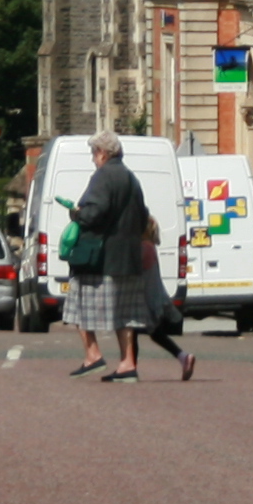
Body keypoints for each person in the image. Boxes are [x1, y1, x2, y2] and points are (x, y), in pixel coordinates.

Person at [67, 134, 193, 383]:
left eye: (94, 154)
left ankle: (92, 355)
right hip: (129, 258)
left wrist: (78, 213)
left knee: (76, 303)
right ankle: (127, 364)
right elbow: (142, 215)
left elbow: (95, 213)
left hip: (101, 258)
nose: (93, 159)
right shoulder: (131, 178)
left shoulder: (103, 177)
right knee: (126, 316)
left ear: (102, 152)